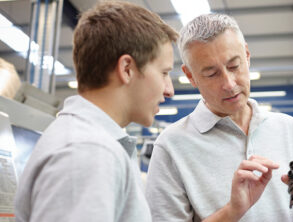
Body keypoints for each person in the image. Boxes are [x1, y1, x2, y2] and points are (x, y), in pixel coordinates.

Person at [145, 13, 293, 222]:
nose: (229, 84)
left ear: (247, 55)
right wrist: (232, 211)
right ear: (190, 76)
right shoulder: (171, 146)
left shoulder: (289, 129)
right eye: (211, 74)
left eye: (234, 66)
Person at [14, 1, 178, 221]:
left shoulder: (94, 144)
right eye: (164, 73)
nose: (170, 90)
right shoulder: (87, 151)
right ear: (127, 69)